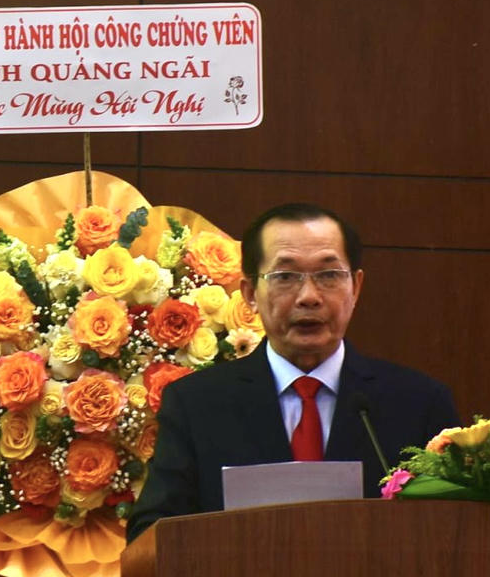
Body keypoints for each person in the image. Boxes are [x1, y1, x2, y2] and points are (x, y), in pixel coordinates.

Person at [126, 202, 458, 541]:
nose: (309, 297)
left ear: (355, 288)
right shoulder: (197, 404)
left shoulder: (419, 404)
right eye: (285, 277)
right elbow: (150, 535)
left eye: (329, 275)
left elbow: (452, 531)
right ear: (250, 294)